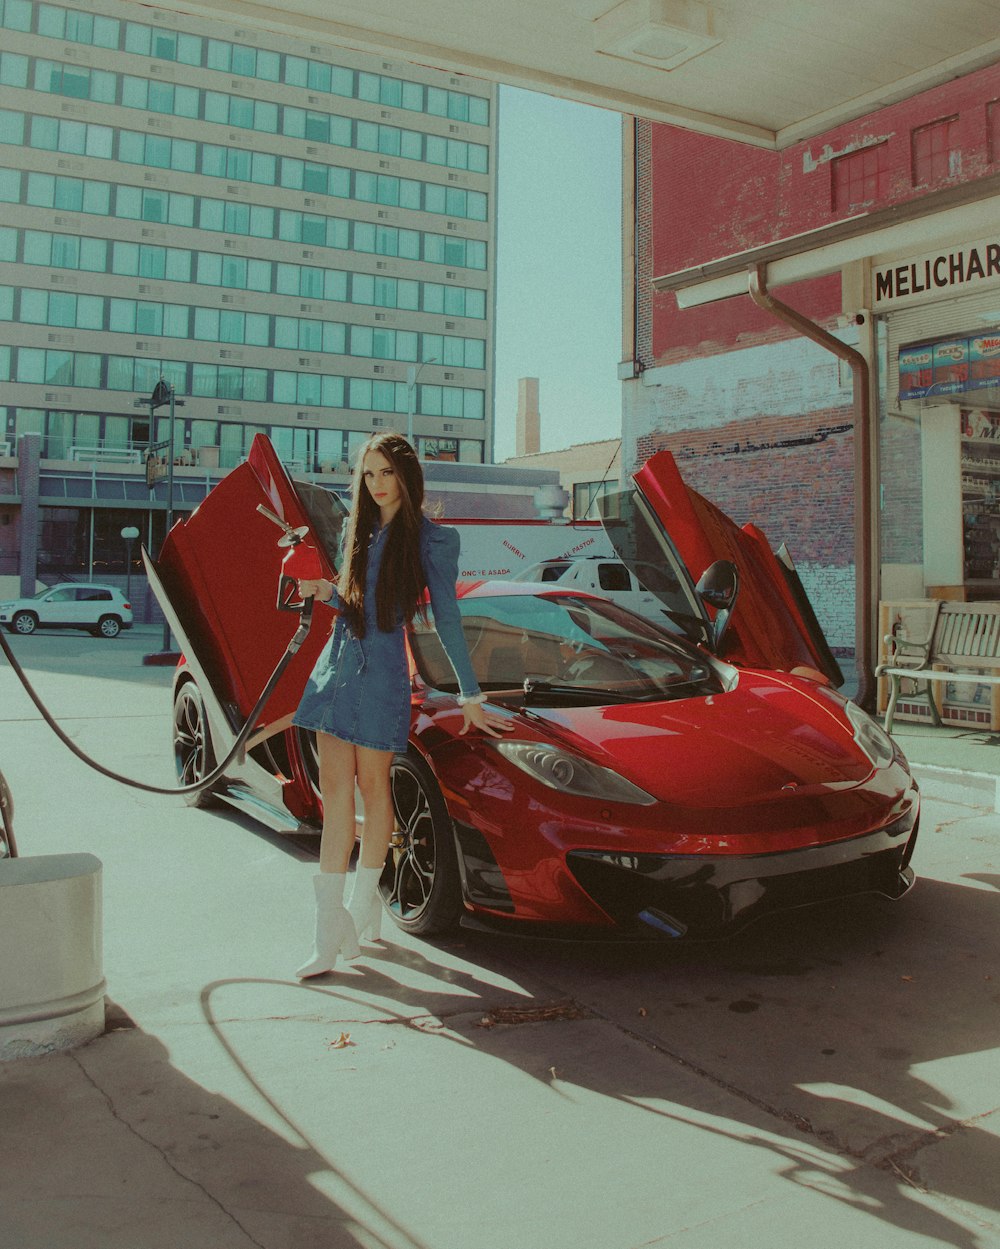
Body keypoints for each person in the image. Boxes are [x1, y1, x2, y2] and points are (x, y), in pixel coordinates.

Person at [292, 431, 513, 978]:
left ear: (407, 476)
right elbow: (351, 604)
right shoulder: (354, 529)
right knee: (335, 797)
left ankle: (364, 909)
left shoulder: (435, 541)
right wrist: (324, 590)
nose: (377, 484)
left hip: (383, 675)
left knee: (374, 790)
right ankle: (328, 931)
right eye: (369, 475)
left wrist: (468, 691)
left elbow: (448, 618)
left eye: (386, 472)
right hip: (334, 669)